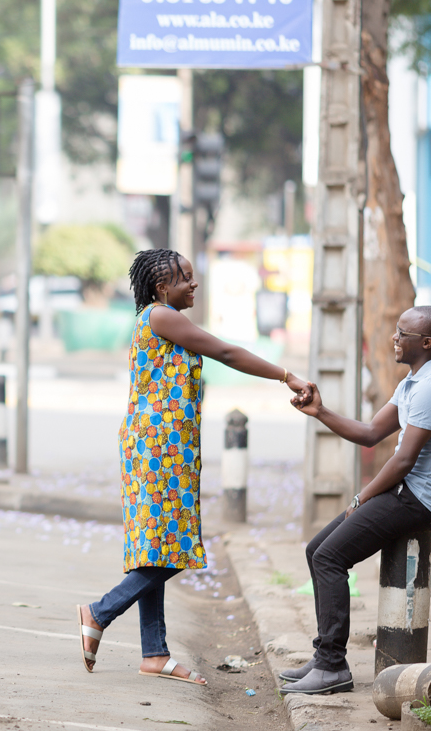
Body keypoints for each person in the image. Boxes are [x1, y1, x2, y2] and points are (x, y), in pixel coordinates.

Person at [76, 248, 312, 684]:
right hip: (158, 448)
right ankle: (100, 612)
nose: (194, 283)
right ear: (163, 287)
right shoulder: (162, 316)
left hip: (164, 446)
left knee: (157, 544)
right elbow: (225, 351)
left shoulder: (160, 316)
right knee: (174, 545)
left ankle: (154, 653)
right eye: (185, 277)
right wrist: (286, 376)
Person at [282, 306, 431, 695]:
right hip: (402, 491)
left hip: (416, 499)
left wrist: (362, 497)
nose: (394, 338)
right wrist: (320, 411)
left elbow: (404, 460)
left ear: (426, 343)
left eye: (403, 333)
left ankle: (332, 667)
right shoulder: (413, 382)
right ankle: (323, 656)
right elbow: (369, 433)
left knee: (331, 558)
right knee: (317, 550)